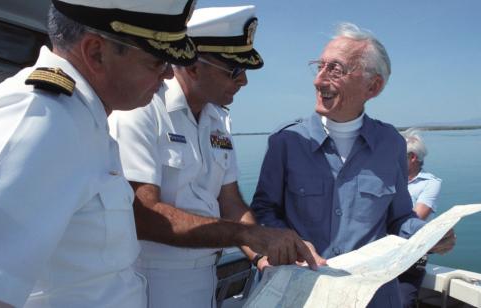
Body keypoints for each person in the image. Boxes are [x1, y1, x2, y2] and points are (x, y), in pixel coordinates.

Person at [0, 0, 197, 307]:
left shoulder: (81, 119)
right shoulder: (37, 119)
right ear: (95, 53)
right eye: (158, 61)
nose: (169, 75)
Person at [108, 6, 324, 308]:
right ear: (194, 66)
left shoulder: (218, 120)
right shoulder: (142, 110)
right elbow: (143, 215)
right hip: (148, 281)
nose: (244, 81)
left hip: (205, 278)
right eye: (234, 71)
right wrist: (251, 234)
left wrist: (263, 257)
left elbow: (231, 202)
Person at [250, 22, 456, 308]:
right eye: (319, 67)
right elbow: (263, 211)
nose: (319, 80)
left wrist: (427, 235)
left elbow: (398, 219)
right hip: (301, 294)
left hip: (372, 298)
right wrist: (285, 242)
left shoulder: (391, 144)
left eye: (335, 69)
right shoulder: (285, 142)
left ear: (373, 86)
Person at [398, 128, 442, 307]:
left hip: (413, 254)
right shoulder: (388, 179)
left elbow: (416, 218)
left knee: (402, 301)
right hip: (383, 249)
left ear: (413, 157)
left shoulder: (430, 183)